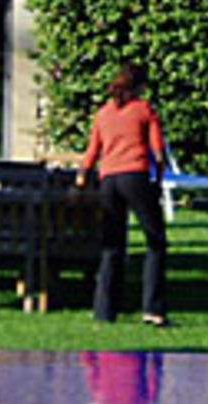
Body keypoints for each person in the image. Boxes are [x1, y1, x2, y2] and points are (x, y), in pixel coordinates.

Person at [78, 63, 169, 326]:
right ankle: (153, 309)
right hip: (135, 175)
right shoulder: (144, 109)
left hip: (108, 180)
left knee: (112, 246)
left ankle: (104, 311)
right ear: (140, 86)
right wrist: (158, 179)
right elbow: (157, 150)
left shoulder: (103, 113)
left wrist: (81, 178)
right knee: (156, 240)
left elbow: (92, 150)